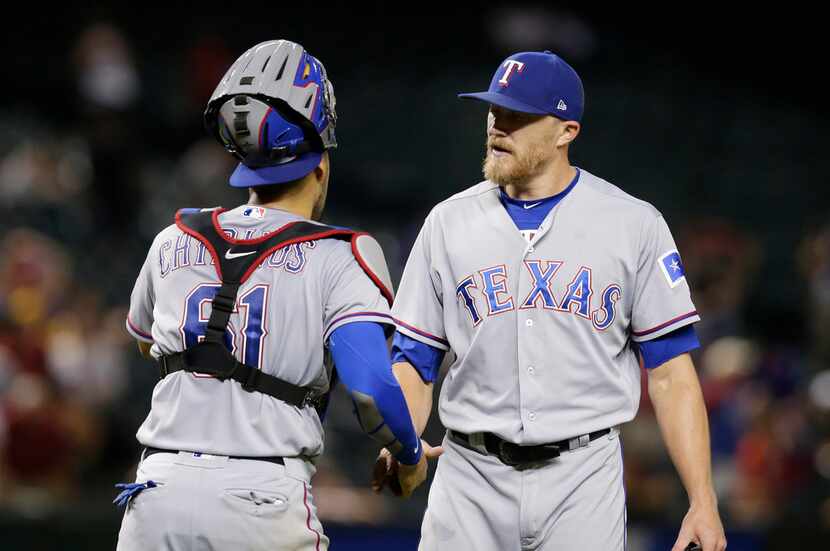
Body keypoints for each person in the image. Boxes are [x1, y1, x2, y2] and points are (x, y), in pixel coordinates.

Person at [373, 50, 727, 551]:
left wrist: (702, 499)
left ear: (567, 132)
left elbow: (670, 373)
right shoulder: (447, 223)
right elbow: (414, 359)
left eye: (518, 116)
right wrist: (402, 444)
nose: (498, 126)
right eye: (494, 111)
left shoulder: (632, 224)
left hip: (582, 479)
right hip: (470, 478)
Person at [116, 39, 430, 551]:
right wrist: (410, 456)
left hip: (157, 492)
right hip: (260, 500)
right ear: (321, 161)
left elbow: (146, 343)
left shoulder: (174, 237)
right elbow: (372, 387)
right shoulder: (342, 253)